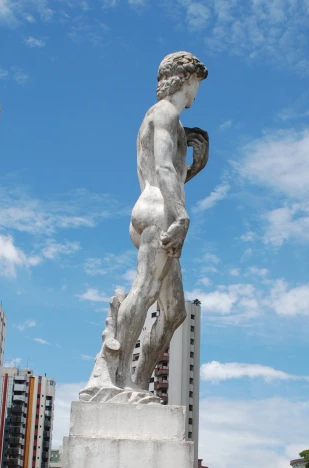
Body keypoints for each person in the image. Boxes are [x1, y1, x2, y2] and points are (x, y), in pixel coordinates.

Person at [80, 51, 208, 403]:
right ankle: (113, 375)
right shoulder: (165, 113)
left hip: (155, 209)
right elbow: (164, 170)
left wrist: (197, 165)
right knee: (146, 288)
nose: (198, 91)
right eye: (197, 82)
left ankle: (134, 380)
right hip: (158, 212)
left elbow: (172, 174)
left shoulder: (171, 121)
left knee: (174, 311)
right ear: (186, 79)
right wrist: (182, 216)